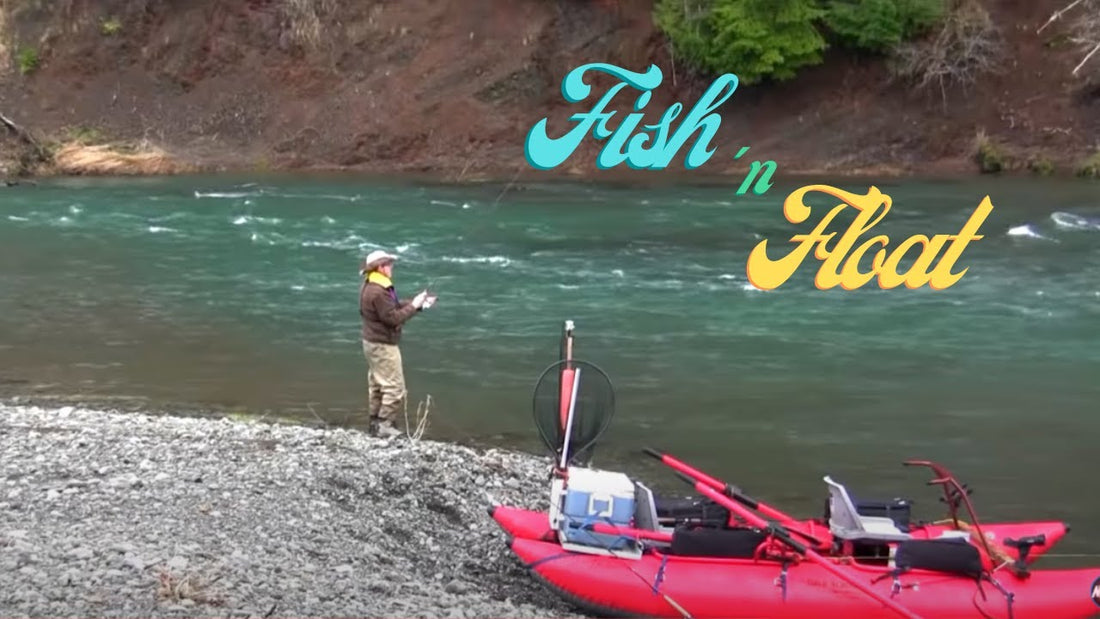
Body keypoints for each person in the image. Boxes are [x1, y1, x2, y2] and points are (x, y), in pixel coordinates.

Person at [358, 249, 436, 438]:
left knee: (377, 384)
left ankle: (374, 423)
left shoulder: (371, 286)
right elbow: (392, 318)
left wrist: (417, 304)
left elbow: (390, 308)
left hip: (371, 342)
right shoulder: (378, 291)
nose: (391, 267)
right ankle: (384, 425)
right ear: (380, 268)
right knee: (395, 387)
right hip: (383, 345)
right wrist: (414, 306)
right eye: (389, 264)